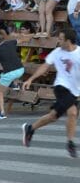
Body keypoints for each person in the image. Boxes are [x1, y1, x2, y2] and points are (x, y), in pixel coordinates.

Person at [22, 28, 80, 158]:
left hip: (75, 90)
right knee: (73, 112)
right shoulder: (57, 52)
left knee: (53, 116)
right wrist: (31, 79)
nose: (58, 41)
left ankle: (30, 129)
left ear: (68, 41)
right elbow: (44, 66)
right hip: (61, 86)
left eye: (60, 39)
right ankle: (70, 143)